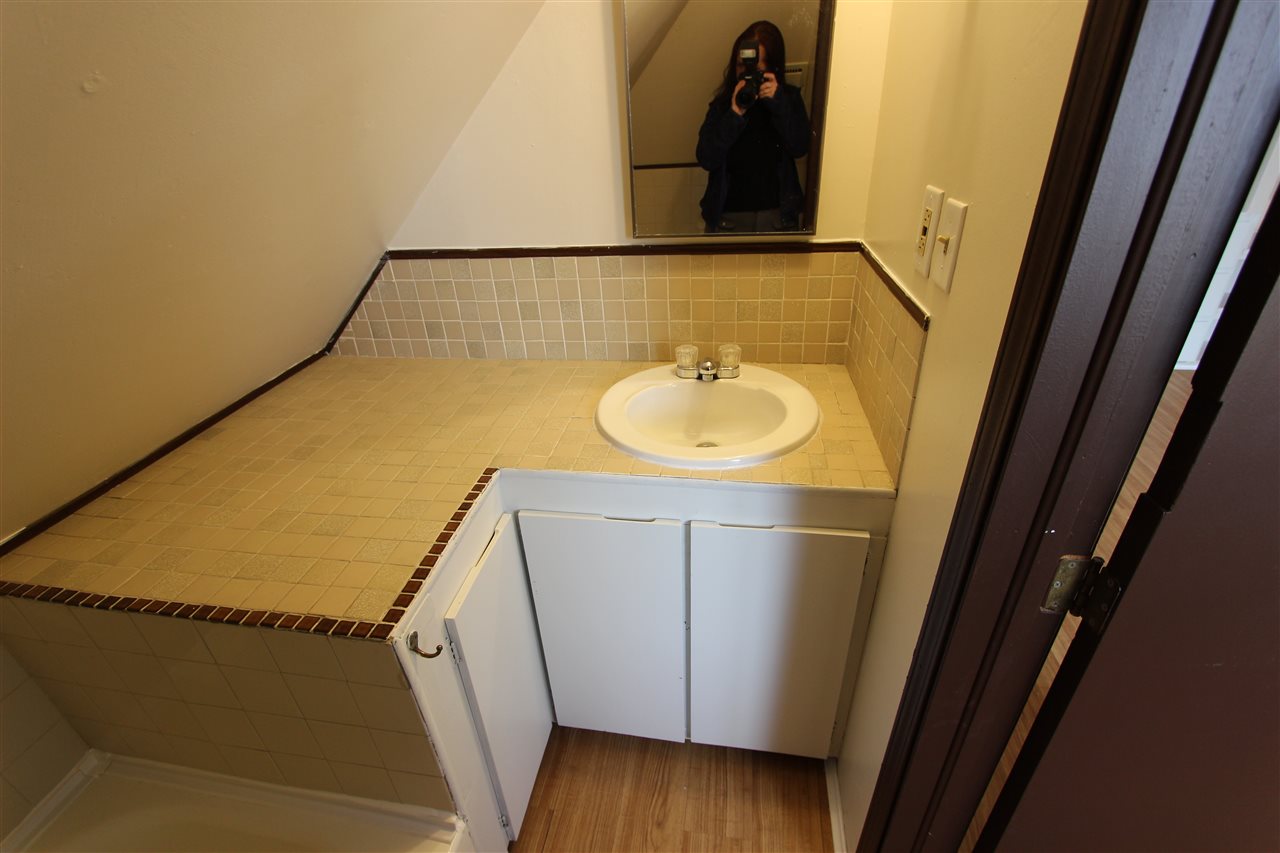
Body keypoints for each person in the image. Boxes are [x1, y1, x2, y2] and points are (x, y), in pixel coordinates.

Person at [696, 20, 811, 233]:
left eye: (755, 68)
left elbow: (800, 146)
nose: (746, 73)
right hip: (728, 219)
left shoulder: (788, 99)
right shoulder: (723, 106)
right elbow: (706, 157)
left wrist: (779, 105)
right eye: (740, 65)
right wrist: (734, 114)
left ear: (772, 68)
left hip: (778, 218)